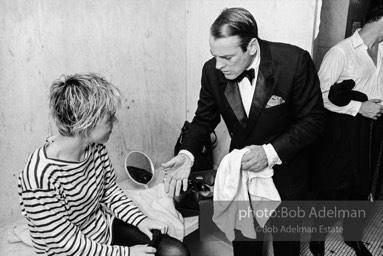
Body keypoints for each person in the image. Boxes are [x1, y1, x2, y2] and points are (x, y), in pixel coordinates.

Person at [162, 7, 326, 256]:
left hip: (287, 172)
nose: (218, 66)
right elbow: (203, 120)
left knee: (286, 244)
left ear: (251, 46)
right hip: (240, 174)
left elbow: (313, 120)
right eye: (214, 55)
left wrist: (269, 153)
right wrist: (187, 155)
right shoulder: (211, 71)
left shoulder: (294, 62)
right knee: (244, 244)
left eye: (227, 57)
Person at [18, 73, 190, 256]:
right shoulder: (39, 177)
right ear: (86, 124)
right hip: (70, 250)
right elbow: (64, 243)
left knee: (176, 252)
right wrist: (126, 253)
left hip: (101, 230)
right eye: (110, 118)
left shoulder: (95, 148)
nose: (115, 121)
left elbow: (110, 192)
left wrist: (141, 220)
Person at [310, 1, 383, 256]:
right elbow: (320, 95)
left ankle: (352, 237)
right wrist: (360, 108)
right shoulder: (340, 52)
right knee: (333, 185)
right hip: (343, 128)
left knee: (360, 186)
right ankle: (316, 239)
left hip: (372, 129)